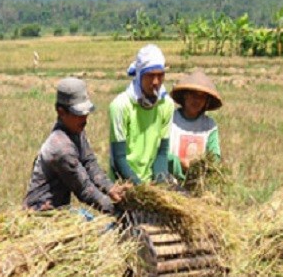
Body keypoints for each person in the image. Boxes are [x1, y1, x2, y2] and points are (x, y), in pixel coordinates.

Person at [24, 77, 126, 215]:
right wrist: (117, 211)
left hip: (61, 209)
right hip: (42, 213)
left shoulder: (76, 130)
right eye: (78, 114)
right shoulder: (60, 148)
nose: (84, 119)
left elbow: (90, 163)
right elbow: (84, 189)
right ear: (61, 112)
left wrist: (111, 188)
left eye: (86, 113)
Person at [108, 44, 175, 185]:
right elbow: (119, 158)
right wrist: (140, 188)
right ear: (139, 75)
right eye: (150, 76)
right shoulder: (120, 106)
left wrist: (160, 182)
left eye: (160, 75)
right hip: (124, 183)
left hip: (150, 182)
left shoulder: (166, 104)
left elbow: (162, 152)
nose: (156, 82)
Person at [168, 69, 223, 181]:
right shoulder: (170, 120)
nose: (196, 100)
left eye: (201, 97)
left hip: (198, 183)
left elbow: (214, 157)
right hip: (169, 182)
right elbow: (160, 153)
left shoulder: (209, 126)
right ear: (185, 96)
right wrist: (179, 162)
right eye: (193, 95)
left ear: (206, 101)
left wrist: (200, 167)